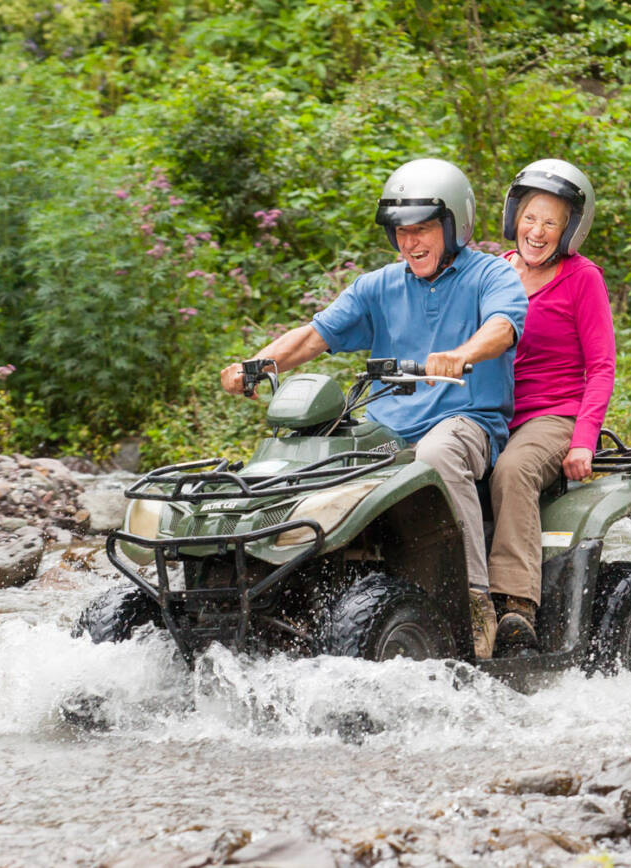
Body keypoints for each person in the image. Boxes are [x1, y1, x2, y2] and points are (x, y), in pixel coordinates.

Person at [219, 158, 527, 659]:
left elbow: (503, 327)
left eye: (423, 228)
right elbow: (313, 336)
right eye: (401, 231)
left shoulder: (491, 275)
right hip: (385, 430)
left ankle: (475, 604)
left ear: (455, 224)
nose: (410, 242)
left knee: (438, 453)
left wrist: (462, 354)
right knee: (314, 461)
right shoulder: (377, 286)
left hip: (466, 422)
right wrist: (256, 363)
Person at [485, 158, 616, 653]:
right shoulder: (495, 271)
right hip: (492, 412)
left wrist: (583, 440)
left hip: (552, 416)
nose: (536, 231)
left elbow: (601, 366)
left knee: (512, 471)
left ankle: (515, 607)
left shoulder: (583, 278)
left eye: (551, 222)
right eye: (530, 218)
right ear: (514, 216)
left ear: (569, 231)